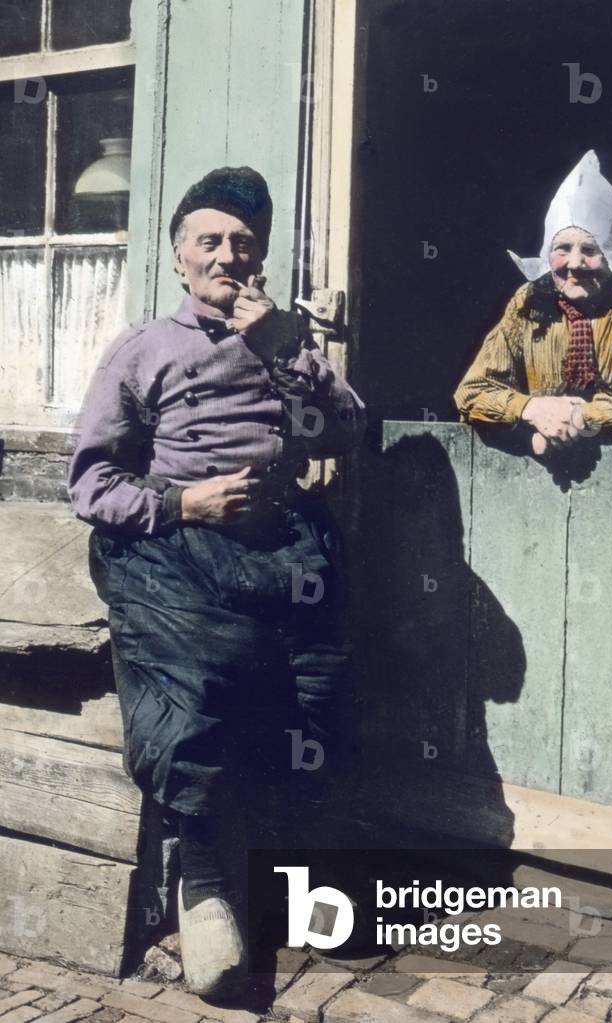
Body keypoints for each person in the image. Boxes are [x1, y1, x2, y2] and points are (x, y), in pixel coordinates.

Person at [68, 166, 366, 998]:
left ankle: (299, 878)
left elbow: (348, 429)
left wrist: (285, 348)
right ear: (179, 258)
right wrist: (180, 500)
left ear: (260, 255)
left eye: (243, 243)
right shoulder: (144, 349)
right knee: (198, 684)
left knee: (320, 680)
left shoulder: (283, 345)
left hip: (274, 544)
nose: (228, 257)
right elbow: (89, 483)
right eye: (211, 242)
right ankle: (204, 882)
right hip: (174, 546)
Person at [454, 150, 612, 452]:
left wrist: (580, 416)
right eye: (563, 248)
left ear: (611, 255)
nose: (574, 263)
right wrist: (533, 409)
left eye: (590, 251)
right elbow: (472, 392)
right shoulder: (529, 302)